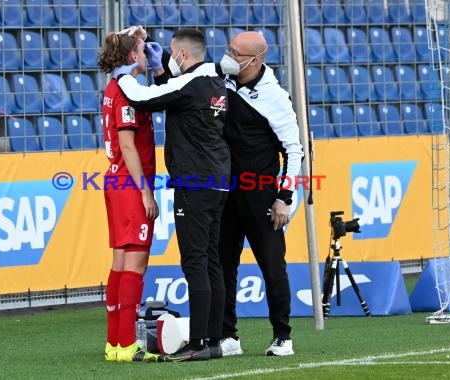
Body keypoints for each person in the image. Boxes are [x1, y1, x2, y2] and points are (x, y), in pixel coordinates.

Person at [113, 27, 230, 361]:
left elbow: (142, 98)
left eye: (170, 54)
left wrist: (122, 77)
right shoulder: (214, 82)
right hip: (219, 180)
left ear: (181, 55)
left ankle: (197, 345)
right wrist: (162, 68)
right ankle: (214, 341)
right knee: (211, 261)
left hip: (195, 182)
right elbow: (174, 94)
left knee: (195, 262)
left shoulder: (191, 84)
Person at [216, 31, 304, 357]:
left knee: (271, 266)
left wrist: (285, 197)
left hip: (261, 195)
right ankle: (228, 336)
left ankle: (283, 336)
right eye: (228, 49)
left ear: (255, 60)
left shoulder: (275, 97)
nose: (228, 56)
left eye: (235, 53)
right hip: (226, 192)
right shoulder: (222, 79)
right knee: (224, 265)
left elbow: (293, 151)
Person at [97, 30, 162, 363]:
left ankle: (114, 344)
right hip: (129, 184)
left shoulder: (114, 87)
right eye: (142, 49)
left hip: (115, 180)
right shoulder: (127, 92)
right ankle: (127, 345)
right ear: (132, 57)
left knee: (121, 262)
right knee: (136, 263)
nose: (146, 53)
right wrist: (145, 191)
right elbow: (126, 144)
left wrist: (135, 35)